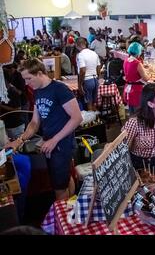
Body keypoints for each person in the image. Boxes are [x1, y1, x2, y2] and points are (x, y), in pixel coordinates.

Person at [6, 59, 82, 201]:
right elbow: (35, 122)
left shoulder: (59, 89)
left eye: (29, 78)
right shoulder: (38, 91)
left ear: (40, 73)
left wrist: (54, 140)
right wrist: (19, 140)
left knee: (59, 188)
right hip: (50, 143)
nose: (27, 83)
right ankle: (71, 205)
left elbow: (77, 118)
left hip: (61, 144)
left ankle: (63, 218)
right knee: (62, 180)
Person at [123, 42, 152, 114]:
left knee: (131, 112)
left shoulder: (126, 60)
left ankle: (132, 125)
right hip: (136, 90)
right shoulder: (137, 63)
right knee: (138, 113)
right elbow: (146, 78)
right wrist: (150, 74)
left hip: (128, 89)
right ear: (138, 51)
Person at [75, 38, 101, 111]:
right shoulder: (94, 53)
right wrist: (98, 77)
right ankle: (96, 120)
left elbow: (82, 70)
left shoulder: (80, 55)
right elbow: (99, 66)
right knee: (94, 103)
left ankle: (91, 121)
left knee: (89, 103)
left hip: (87, 80)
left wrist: (80, 85)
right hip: (95, 79)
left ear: (77, 45)